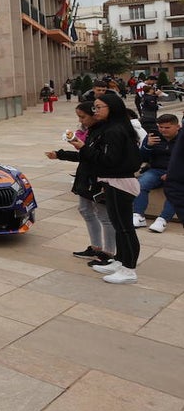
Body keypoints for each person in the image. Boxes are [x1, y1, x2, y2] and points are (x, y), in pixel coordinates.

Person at [48, 93, 141, 284]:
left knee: (125, 229)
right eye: (95, 108)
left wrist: (82, 147)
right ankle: (120, 261)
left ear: (112, 108)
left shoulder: (115, 130)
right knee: (119, 226)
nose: (96, 111)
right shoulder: (111, 128)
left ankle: (129, 270)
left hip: (120, 183)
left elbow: (108, 160)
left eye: (99, 108)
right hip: (113, 181)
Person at [53, 101, 115, 267]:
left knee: (104, 215)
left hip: (98, 178)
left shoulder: (108, 132)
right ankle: (96, 247)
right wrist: (61, 154)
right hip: (86, 176)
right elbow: (86, 155)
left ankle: (109, 253)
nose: (81, 121)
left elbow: (100, 157)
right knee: (85, 210)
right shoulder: (92, 131)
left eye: (83, 117)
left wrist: (79, 147)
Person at [134, 113, 180, 233]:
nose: (163, 130)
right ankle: (138, 215)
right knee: (141, 184)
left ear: (177, 127)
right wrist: (148, 146)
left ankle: (163, 219)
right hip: (156, 170)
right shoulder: (153, 136)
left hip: (177, 172)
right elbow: (141, 158)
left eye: (167, 127)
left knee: (175, 189)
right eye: (161, 127)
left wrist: (173, 173)